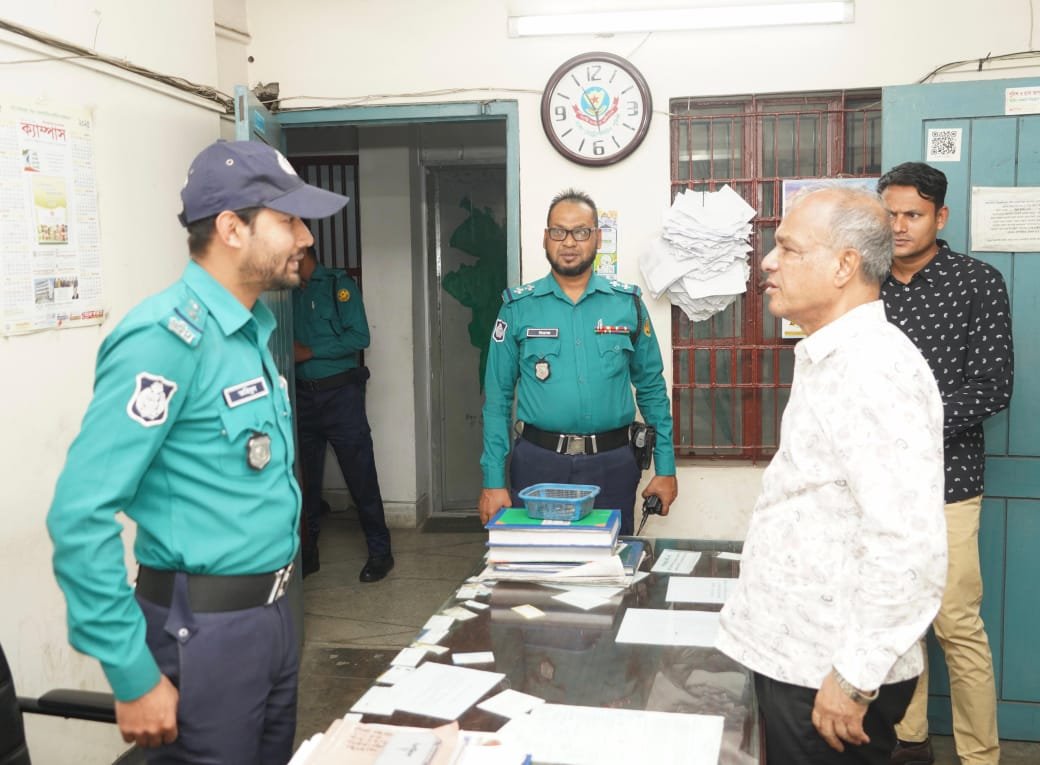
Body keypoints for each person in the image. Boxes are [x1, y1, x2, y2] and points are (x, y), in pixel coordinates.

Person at [47, 139, 348, 763]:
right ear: (232, 228)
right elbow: (79, 517)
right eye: (289, 220)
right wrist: (132, 673)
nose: (305, 238)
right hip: (204, 633)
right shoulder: (164, 339)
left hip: (276, 619)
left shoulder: (250, 332)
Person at [716, 186, 948, 764]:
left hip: (830, 673)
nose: (768, 263)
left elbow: (908, 545)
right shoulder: (833, 355)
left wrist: (854, 679)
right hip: (801, 652)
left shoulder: (874, 368)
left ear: (845, 265)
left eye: (788, 249)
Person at [878, 162, 1013, 765]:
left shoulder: (978, 283)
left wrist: (906, 424)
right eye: (890, 214)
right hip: (877, 486)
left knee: (956, 624)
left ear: (941, 216)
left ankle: (980, 755)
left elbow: (991, 388)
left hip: (949, 484)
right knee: (895, 622)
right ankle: (908, 742)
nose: (899, 226)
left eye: (912, 214)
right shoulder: (866, 283)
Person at [479, 189, 677, 535]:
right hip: (538, 465)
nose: (569, 242)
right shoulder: (518, 308)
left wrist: (666, 468)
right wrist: (494, 480)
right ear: (545, 238)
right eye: (559, 231)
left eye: (581, 232)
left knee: (610, 572)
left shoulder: (626, 304)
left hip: (613, 464)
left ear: (597, 238)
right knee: (538, 572)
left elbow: (652, 389)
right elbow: (496, 401)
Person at [293, 245, 393, 582]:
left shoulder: (338, 285)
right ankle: (309, 554)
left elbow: (359, 337)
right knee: (305, 482)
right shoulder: (283, 293)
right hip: (302, 399)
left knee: (360, 477)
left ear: (303, 253)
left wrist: (309, 352)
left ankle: (381, 553)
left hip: (340, 397)